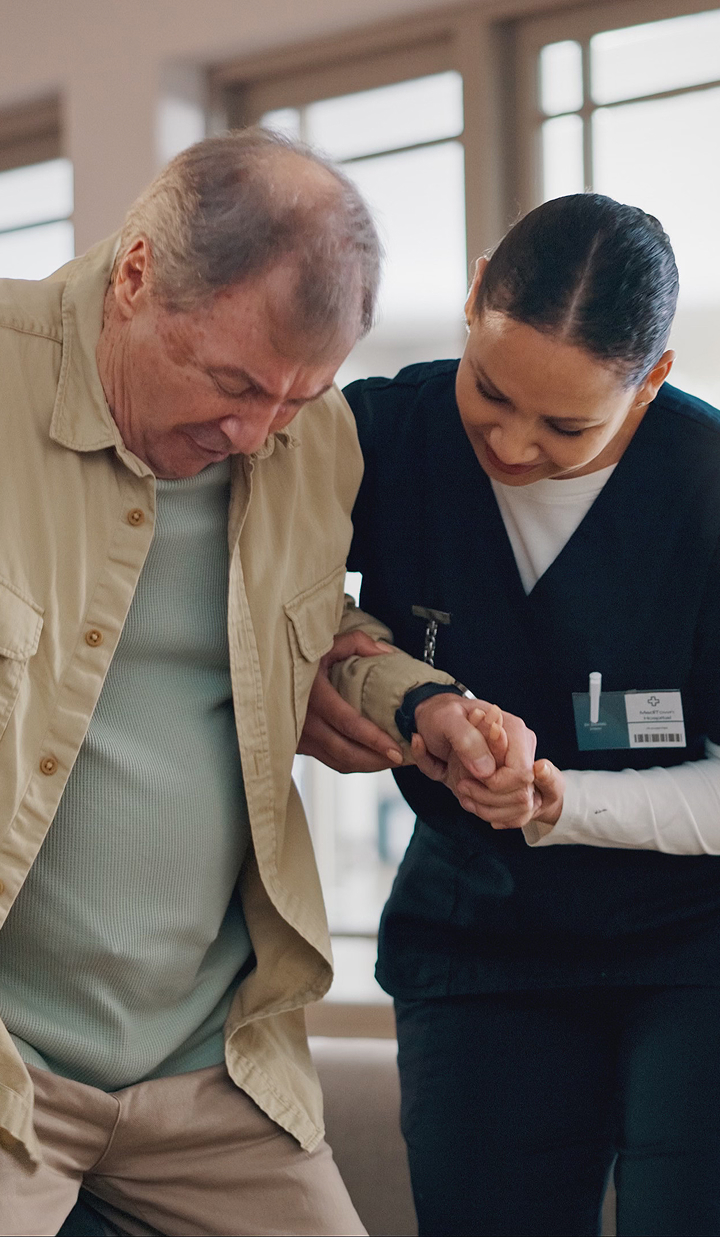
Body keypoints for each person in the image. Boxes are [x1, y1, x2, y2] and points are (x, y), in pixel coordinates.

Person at [0, 128, 506, 1237]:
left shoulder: (310, 440)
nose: (252, 433)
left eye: (291, 397)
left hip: (206, 1056)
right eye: (231, 383)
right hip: (11, 1065)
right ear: (136, 274)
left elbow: (304, 625)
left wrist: (414, 701)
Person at [304, 194, 720, 1236]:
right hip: (475, 934)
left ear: (653, 377)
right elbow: (261, 587)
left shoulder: (705, 491)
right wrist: (327, 664)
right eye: (490, 390)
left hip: (694, 942)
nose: (512, 441)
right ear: (477, 290)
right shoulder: (380, 435)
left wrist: (557, 801)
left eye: (566, 424)